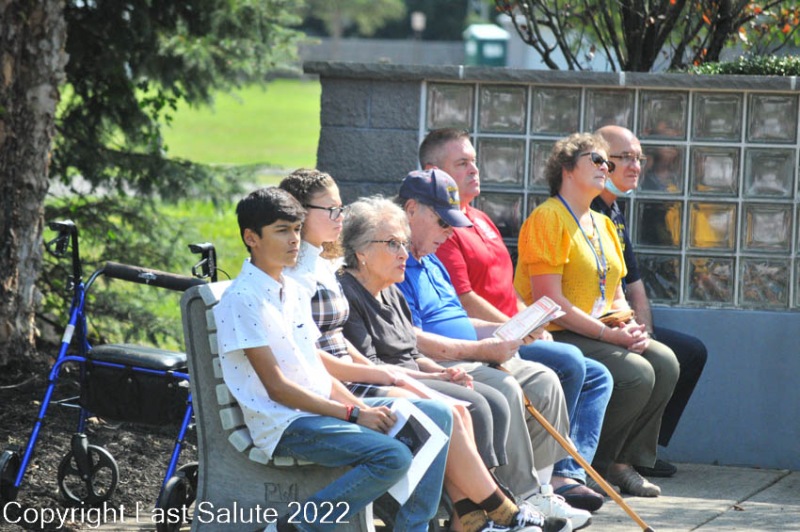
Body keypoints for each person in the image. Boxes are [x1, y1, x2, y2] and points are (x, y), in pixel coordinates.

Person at [279, 169, 554, 532]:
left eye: (340, 208)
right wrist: (384, 381)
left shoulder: (322, 268)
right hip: (332, 393)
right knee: (446, 412)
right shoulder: (299, 278)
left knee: (461, 408)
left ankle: (475, 516)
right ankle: (501, 509)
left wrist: (415, 373)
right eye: (330, 209)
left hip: (353, 380)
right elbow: (312, 357)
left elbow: (339, 342)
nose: (339, 217)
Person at [213, 186, 453, 531]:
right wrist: (354, 414)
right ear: (252, 238)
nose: (294, 240)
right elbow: (278, 388)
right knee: (392, 456)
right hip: (285, 424)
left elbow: (314, 367)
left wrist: (362, 408)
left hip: (319, 409)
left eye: (297, 229)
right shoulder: (243, 299)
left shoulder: (292, 289)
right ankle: (297, 527)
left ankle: (414, 528)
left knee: (437, 414)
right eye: (281, 231)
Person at [383, 170, 592, 530]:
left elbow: (459, 320)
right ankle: (512, 499)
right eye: (442, 222)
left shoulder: (433, 260)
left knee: (544, 380)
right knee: (505, 388)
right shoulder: (397, 264)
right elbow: (411, 338)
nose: (450, 232)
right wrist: (483, 349)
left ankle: (539, 491)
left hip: (470, 352)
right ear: (411, 209)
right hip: (439, 362)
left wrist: (508, 331)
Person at [422, 128, 613, 513]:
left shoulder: (483, 220)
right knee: (570, 363)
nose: (474, 170)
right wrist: (519, 328)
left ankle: (564, 474)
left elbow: (508, 287)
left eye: (474, 161)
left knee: (598, 375)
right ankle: (550, 480)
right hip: (483, 339)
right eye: (462, 163)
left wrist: (529, 318)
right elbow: (465, 299)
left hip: (505, 330)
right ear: (433, 172)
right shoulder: (442, 232)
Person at [513, 132, 680, 498]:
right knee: (636, 374)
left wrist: (629, 326)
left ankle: (621, 462)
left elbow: (616, 289)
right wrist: (608, 335)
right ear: (567, 168)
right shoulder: (548, 218)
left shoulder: (603, 223)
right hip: (557, 330)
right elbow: (549, 300)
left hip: (601, 329)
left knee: (665, 361)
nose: (607, 167)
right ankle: (589, 467)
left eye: (608, 161)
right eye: (597, 160)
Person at [593, 125, 708, 478]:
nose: (635, 166)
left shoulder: (614, 211)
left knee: (688, 352)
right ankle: (612, 458)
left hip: (619, 320)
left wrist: (646, 332)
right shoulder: (586, 208)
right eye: (625, 157)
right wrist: (628, 332)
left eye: (639, 158)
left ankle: (644, 449)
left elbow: (634, 282)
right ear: (600, 162)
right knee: (650, 364)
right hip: (592, 325)